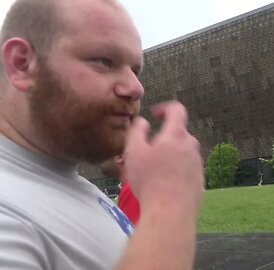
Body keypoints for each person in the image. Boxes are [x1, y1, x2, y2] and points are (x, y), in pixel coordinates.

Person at [0, 0, 204, 269]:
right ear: (22, 64)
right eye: (105, 61)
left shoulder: (66, 181)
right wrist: (168, 203)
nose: (136, 87)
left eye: (135, 70)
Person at [100, 156, 140, 225]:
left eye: (104, 151)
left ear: (119, 157)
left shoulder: (132, 189)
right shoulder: (135, 186)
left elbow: (131, 233)